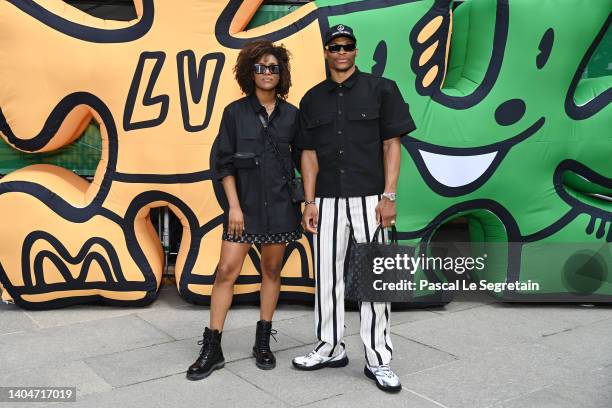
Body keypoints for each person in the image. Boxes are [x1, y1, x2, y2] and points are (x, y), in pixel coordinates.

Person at [291, 24, 416, 393]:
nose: (341, 52)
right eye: (334, 46)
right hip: (327, 199)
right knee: (326, 279)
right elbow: (308, 156)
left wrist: (389, 196)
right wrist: (309, 202)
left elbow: (392, 144)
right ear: (326, 53)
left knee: (375, 278)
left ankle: (379, 358)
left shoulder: (382, 89)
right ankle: (329, 347)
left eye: (347, 46)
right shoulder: (312, 99)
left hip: (370, 199)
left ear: (355, 51)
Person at [186, 40, 302, 380]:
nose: (267, 73)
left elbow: (304, 161)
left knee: (271, 271)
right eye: (260, 67)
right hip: (244, 207)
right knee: (226, 270)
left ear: (282, 74)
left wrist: (310, 201)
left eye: (273, 68)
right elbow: (223, 164)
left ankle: (263, 340)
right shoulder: (234, 113)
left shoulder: (293, 115)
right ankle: (213, 347)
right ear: (249, 72)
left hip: (281, 208)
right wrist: (233, 207)